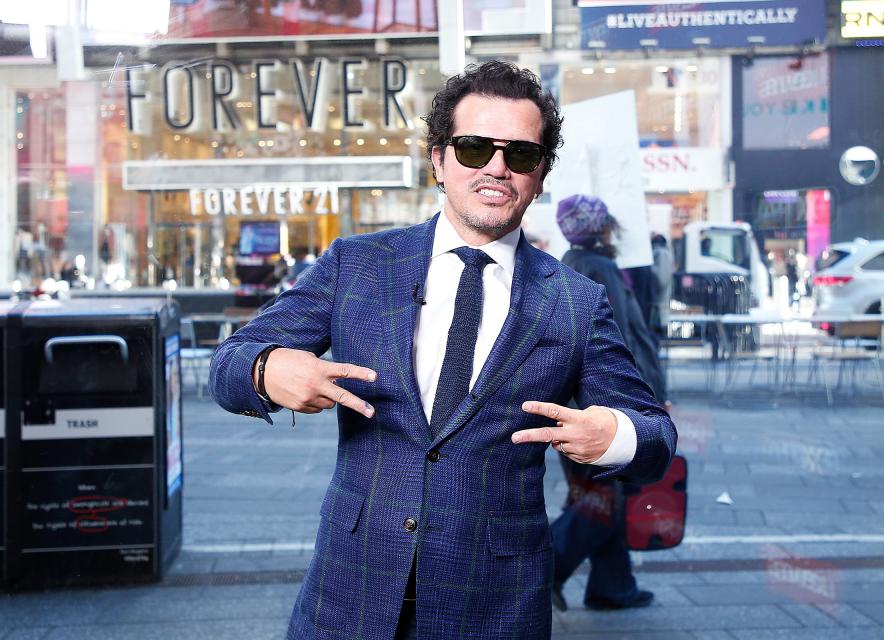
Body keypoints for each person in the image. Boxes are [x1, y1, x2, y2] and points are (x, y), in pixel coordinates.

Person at [209, 60, 676, 640]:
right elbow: (228, 362)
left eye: (521, 155)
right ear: (438, 158)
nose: (497, 168)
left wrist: (615, 436)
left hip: (495, 607)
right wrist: (264, 367)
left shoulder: (576, 301)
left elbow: (654, 434)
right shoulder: (358, 265)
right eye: (475, 148)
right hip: (350, 595)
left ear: (540, 174)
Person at [549, 194, 666, 612]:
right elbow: (622, 344)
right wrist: (645, 401)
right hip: (603, 408)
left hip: (581, 404)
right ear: (600, 228)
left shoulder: (570, 264)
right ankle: (547, 568)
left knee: (607, 495)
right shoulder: (598, 269)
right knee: (603, 501)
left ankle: (612, 586)